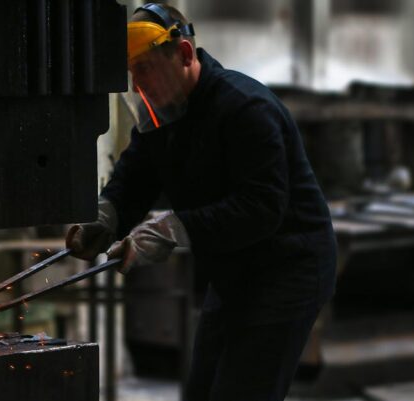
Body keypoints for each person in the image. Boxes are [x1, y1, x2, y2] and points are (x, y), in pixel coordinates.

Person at [66, 4, 337, 401]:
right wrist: (105, 216)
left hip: (288, 267)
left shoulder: (245, 108)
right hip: (235, 270)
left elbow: (261, 207)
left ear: (185, 55)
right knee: (202, 391)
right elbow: (135, 178)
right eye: (132, 74)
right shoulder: (160, 115)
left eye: (146, 69)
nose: (139, 85)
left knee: (242, 391)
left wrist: (173, 229)